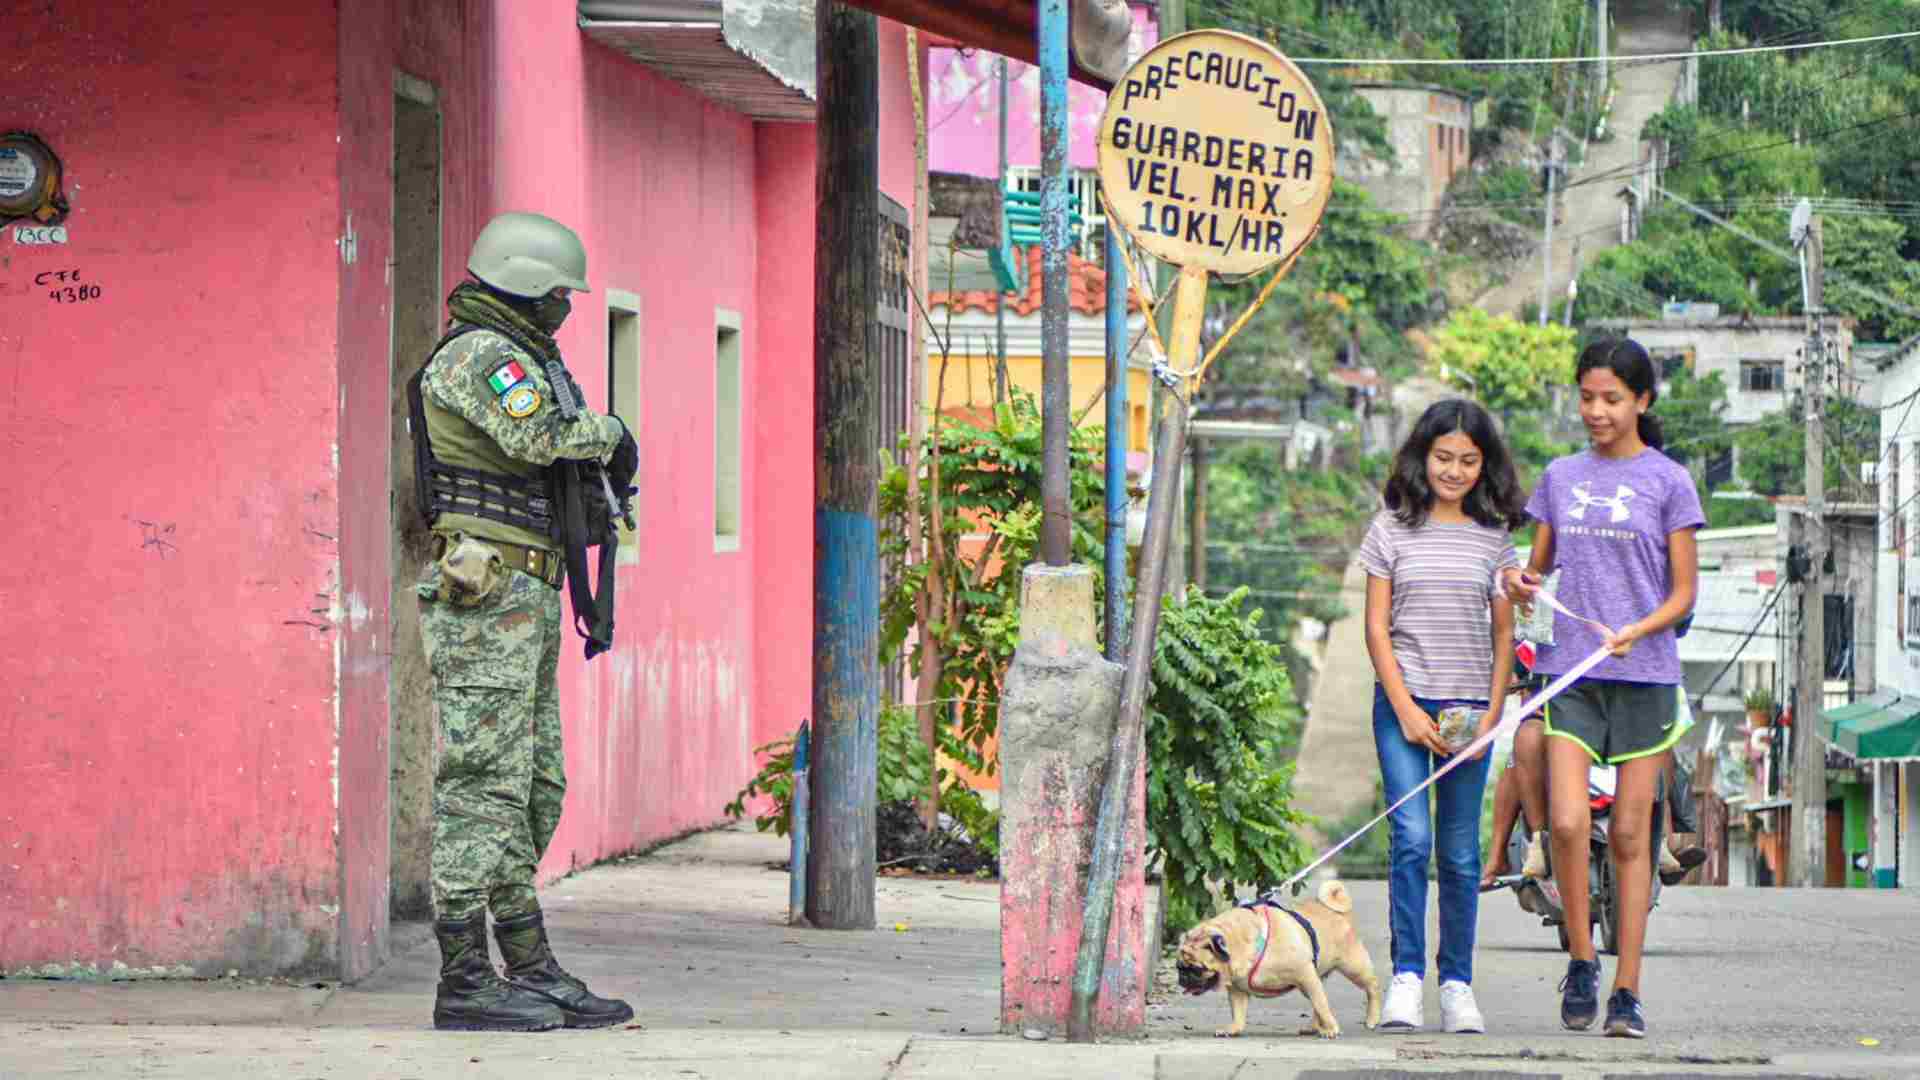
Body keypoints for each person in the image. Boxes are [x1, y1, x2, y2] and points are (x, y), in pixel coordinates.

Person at [411, 211, 641, 1032]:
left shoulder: (523, 354)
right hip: (488, 595)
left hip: (524, 595)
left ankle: (529, 962)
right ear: (526, 286)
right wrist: (610, 432)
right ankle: (466, 978)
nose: (565, 310)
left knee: (533, 784)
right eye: (557, 296)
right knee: (481, 785)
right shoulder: (480, 357)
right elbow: (540, 433)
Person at [1502, 337, 1703, 1039]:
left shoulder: (1671, 482)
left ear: (1642, 401)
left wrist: (1638, 627)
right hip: (1573, 674)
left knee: (1626, 831)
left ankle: (1628, 989)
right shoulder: (1560, 476)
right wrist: (1518, 581)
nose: (1596, 411)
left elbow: (1684, 594)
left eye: (1611, 399)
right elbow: (1538, 573)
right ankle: (1582, 959)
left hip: (1645, 676)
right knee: (1561, 822)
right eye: (1587, 397)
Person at [1360, 398, 1526, 1034]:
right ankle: (1406, 978)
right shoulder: (1390, 530)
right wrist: (1404, 710)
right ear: (1421, 457)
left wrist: (1490, 718)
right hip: (1404, 705)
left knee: (1458, 854)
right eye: (1443, 458)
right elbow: (1377, 630)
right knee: (1412, 841)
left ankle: (1457, 984)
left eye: (1468, 461)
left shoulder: (1495, 540)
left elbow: (1505, 637)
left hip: (1470, 712)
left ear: (1485, 467)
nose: (1453, 471)